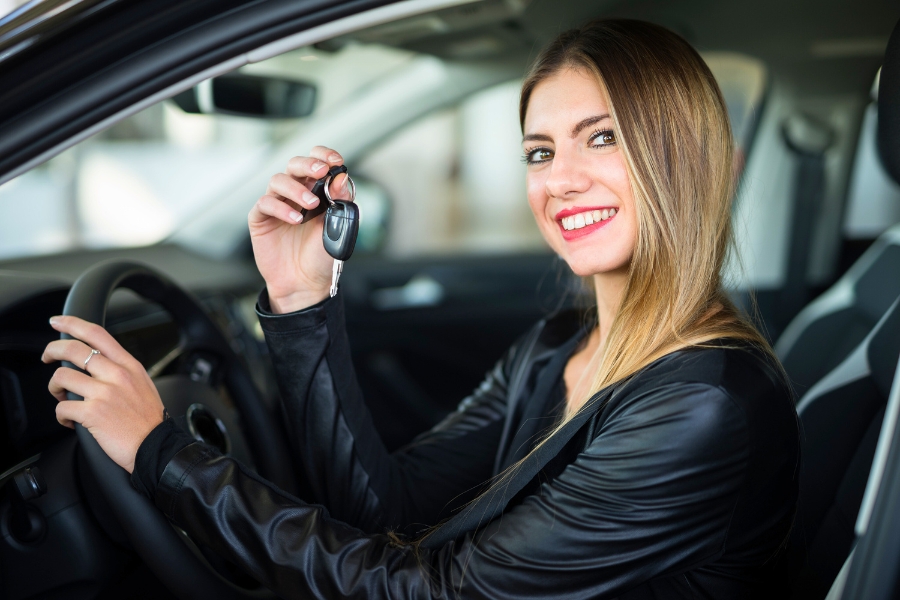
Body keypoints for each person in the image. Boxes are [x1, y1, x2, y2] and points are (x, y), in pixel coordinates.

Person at [42, 19, 799, 599]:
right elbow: (389, 510)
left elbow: (436, 591)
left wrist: (161, 453)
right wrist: (303, 300)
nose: (559, 180)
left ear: (688, 160)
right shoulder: (561, 342)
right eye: (539, 151)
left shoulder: (704, 404)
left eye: (601, 139)